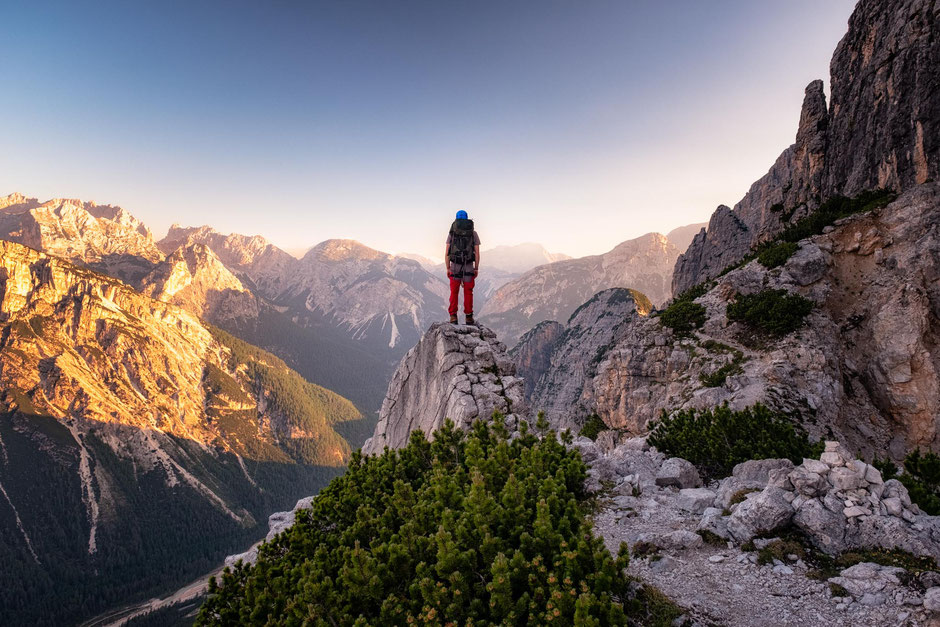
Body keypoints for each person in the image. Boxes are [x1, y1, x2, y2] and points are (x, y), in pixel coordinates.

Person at [445, 210, 480, 324]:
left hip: (455, 265)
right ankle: (469, 317)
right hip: (469, 265)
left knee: (454, 292)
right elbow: (477, 253)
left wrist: (448, 268)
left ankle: (453, 316)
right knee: (468, 292)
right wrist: (476, 268)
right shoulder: (473, 233)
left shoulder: (452, 233)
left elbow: (447, 253)